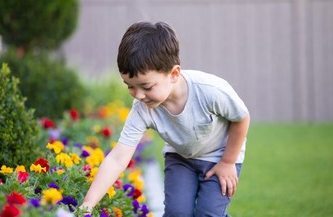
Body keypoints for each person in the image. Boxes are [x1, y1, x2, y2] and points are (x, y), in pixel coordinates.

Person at [81, 21, 250, 217]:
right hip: (180, 159)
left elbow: (241, 118)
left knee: (208, 213)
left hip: (219, 156)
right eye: (130, 86)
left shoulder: (209, 91)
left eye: (146, 86)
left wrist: (228, 162)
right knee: (177, 213)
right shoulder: (142, 109)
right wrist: (87, 204)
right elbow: (118, 158)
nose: (138, 95)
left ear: (174, 74)